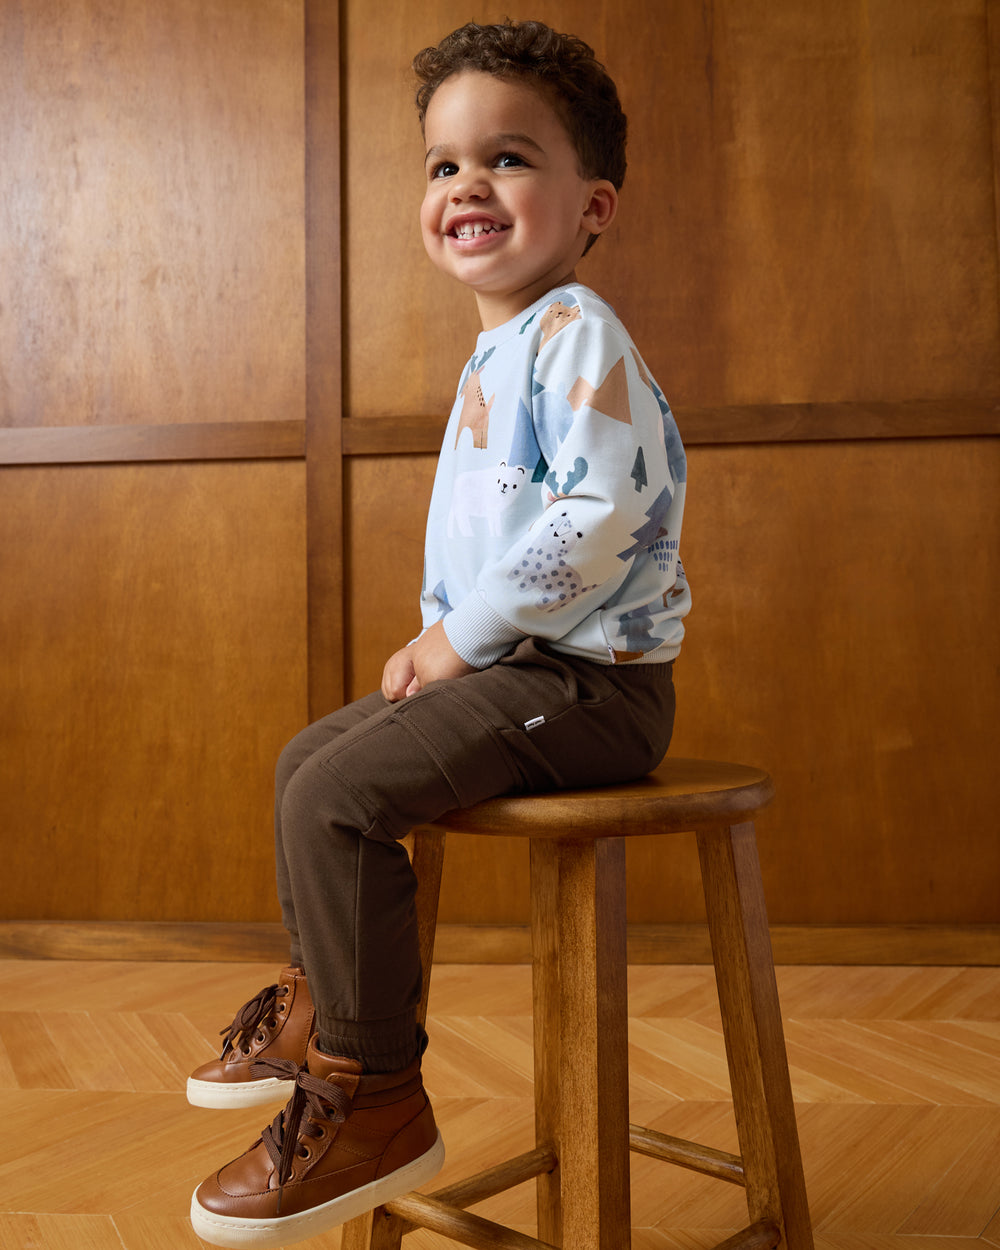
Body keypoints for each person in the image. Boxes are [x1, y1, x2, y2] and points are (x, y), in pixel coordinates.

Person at [189, 18, 690, 1249]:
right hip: (523, 668)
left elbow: (598, 510)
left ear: (591, 206)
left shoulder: (574, 333)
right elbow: (487, 529)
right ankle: (327, 1008)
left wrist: (455, 642)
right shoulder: (495, 353)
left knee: (340, 794)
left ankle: (375, 1091)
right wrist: (437, 637)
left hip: (591, 685)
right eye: (442, 164)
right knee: (309, 761)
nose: (468, 183)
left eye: (509, 157)